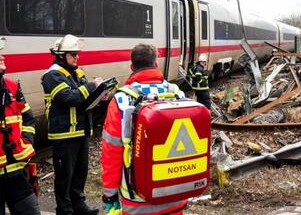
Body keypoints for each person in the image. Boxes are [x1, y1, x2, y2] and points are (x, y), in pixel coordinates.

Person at [101, 43, 187, 215]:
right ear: (156, 63)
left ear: (132, 67)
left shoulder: (121, 100)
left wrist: (109, 194)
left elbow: (112, 152)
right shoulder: (177, 93)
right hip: (175, 194)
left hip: (137, 199)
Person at [41, 34, 102, 215]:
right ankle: (65, 210)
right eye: (73, 54)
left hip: (81, 131)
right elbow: (69, 98)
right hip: (64, 134)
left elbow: (84, 99)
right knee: (64, 178)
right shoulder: (52, 75)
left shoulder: (78, 72)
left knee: (79, 173)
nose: (77, 58)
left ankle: (79, 206)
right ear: (61, 55)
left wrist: (100, 95)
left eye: (78, 54)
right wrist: (91, 86)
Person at [0, 38, 40, 215]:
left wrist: (27, 143)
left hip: (16, 172)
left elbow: (28, 118)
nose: (2, 56)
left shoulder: (12, 87)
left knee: (31, 211)